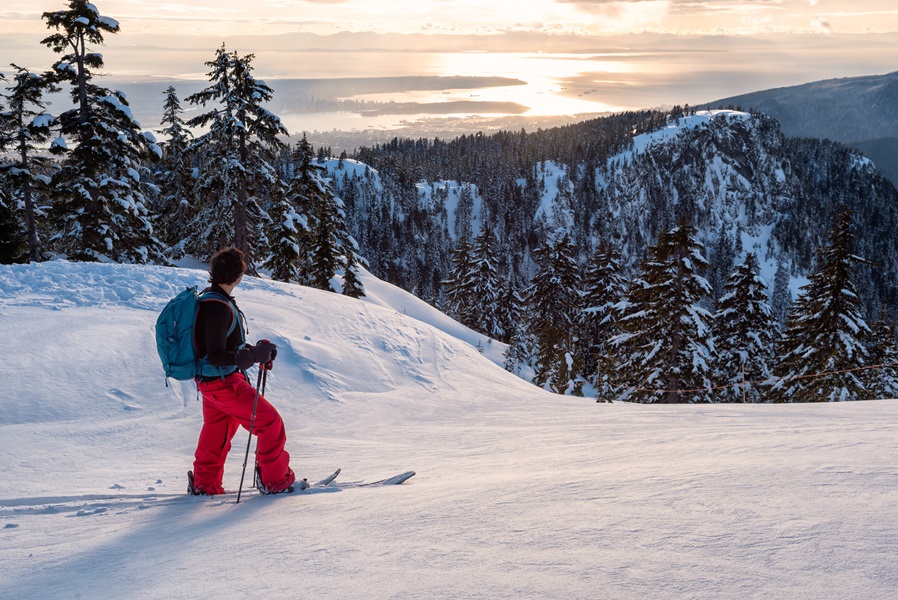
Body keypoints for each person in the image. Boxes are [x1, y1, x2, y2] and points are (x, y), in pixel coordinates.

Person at [189, 247, 296, 495]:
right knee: (270, 423)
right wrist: (248, 356)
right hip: (224, 383)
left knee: (217, 432)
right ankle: (275, 481)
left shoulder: (212, 301)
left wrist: (256, 351)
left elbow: (221, 348)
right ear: (238, 276)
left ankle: (205, 485)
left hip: (212, 383)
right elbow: (215, 355)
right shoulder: (217, 306)